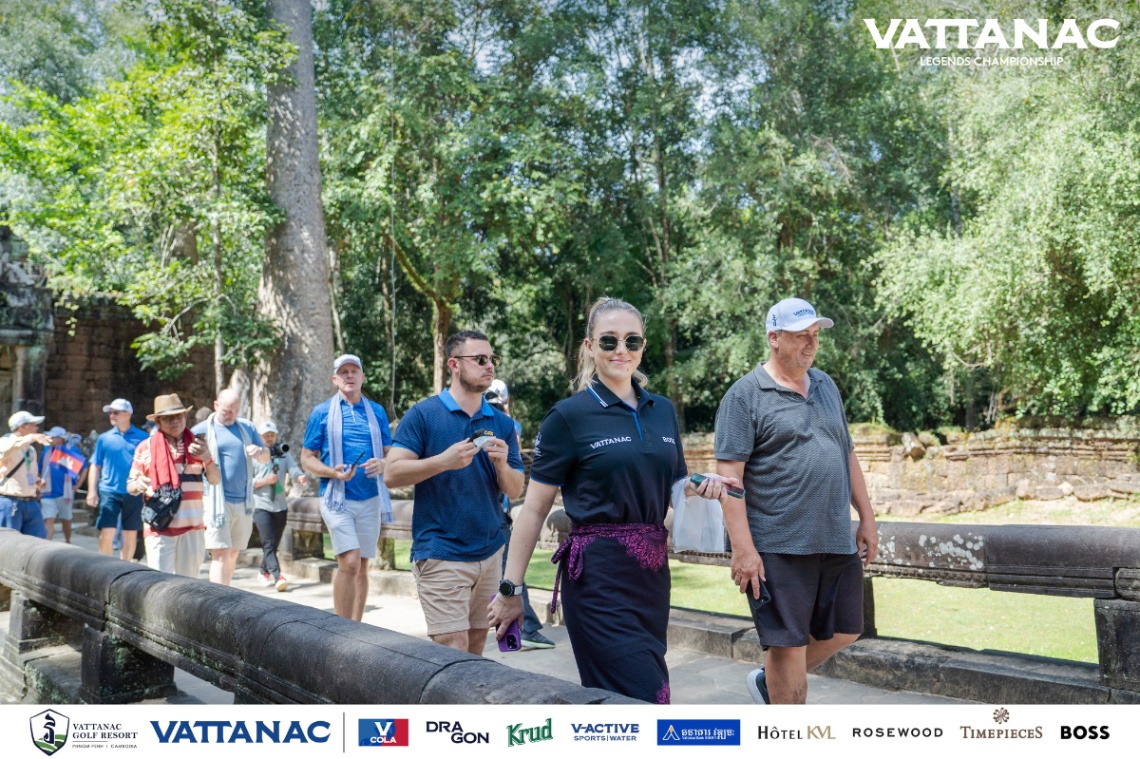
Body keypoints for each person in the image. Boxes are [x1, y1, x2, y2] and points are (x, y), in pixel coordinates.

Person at [488, 298, 737, 703]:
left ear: (642, 346)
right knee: (641, 696)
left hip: (652, 577)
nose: (621, 349)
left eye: (631, 340)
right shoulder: (568, 416)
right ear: (590, 346)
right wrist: (510, 589)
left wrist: (698, 485)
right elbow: (533, 510)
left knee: (637, 695)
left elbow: (675, 485)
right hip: (597, 580)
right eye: (609, 340)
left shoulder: (662, 410)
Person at [713, 296, 879, 705]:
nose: (811, 343)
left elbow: (846, 452)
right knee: (787, 647)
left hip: (834, 537)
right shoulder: (744, 396)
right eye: (801, 335)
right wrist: (744, 550)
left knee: (847, 630)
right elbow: (730, 480)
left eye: (815, 335)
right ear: (774, 338)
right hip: (778, 545)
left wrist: (867, 517)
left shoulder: (825, 385)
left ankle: (769, 683)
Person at [385, 331, 525, 655]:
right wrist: (443, 461)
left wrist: (502, 465)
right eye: (480, 359)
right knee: (454, 651)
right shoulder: (423, 414)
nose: (489, 366)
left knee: (475, 650)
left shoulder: (502, 423)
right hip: (441, 551)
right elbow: (392, 474)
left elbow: (515, 489)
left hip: (490, 553)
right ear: (454, 364)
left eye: (492, 359)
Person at [301, 354, 394, 620]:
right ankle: (341, 629)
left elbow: (390, 453)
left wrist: (383, 464)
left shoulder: (377, 411)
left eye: (354, 371)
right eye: (344, 372)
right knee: (350, 562)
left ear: (363, 377)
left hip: (371, 497)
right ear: (335, 379)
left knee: (362, 566)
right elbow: (306, 458)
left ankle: (357, 627)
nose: (349, 375)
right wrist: (332, 472)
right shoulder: (321, 412)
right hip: (335, 499)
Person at [483, 379, 554, 650]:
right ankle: (528, 629)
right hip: (493, 511)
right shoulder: (507, 425)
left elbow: (513, 467)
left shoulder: (505, 425)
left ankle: (523, 629)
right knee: (510, 572)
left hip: (498, 508)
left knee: (509, 570)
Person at [128, 394, 219, 577]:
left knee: (189, 585)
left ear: (185, 417)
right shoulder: (145, 447)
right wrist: (139, 483)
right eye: (168, 418)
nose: (175, 421)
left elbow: (215, 479)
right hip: (158, 529)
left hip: (192, 528)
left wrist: (207, 458)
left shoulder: (199, 446)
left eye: (179, 416)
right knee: (159, 584)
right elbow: (130, 487)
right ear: (158, 421)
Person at [192, 389, 269, 586]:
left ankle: (226, 594)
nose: (231, 415)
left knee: (233, 553)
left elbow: (266, 457)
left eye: (235, 410)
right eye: (227, 410)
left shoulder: (247, 427)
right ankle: (217, 598)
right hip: (215, 500)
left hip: (243, 501)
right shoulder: (201, 430)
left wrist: (260, 452)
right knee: (221, 552)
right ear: (216, 405)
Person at [88, 399, 148, 560]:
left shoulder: (143, 437)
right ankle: (105, 567)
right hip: (109, 490)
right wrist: (92, 491)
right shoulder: (104, 438)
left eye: (115, 412)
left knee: (130, 533)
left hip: (134, 491)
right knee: (107, 532)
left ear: (127, 414)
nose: (111, 415)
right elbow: (95, 465)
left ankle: (125, 567)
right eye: (110, 412)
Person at [253, 421, 307, 591]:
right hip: (261, 505)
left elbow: (293, 469)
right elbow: (246, 483)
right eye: (266, 435)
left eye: (272, 435)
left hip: (280, 505)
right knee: (268, 542)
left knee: (273, 543)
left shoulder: (283, 454)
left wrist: (299, 477)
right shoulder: (253, 455)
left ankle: (263, 571)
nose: (269, 438)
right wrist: (265, 481)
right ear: (259, 437)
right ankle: (278, 576)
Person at [0, 411, 52, 538]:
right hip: (11, 502)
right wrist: (31, 437)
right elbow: (5, 450)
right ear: (21, 427)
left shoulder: (30, 449)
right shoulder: (6, 441)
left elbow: (28, 472)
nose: (37, 428)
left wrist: (37, 481)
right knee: (9, 542)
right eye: (33, 424)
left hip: (31, 502)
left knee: (38, 541)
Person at [39, 426, 83, 543]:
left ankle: (67, 541)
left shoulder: (71, 451)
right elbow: (40, 470)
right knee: (48, 519)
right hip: (47, 492)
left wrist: (78, 485)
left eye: (52, 437)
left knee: (66, 520)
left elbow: (84, 468)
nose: (50, 439)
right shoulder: (46, 452)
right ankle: (47, 545)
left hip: (65, 493)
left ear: (60, 439)